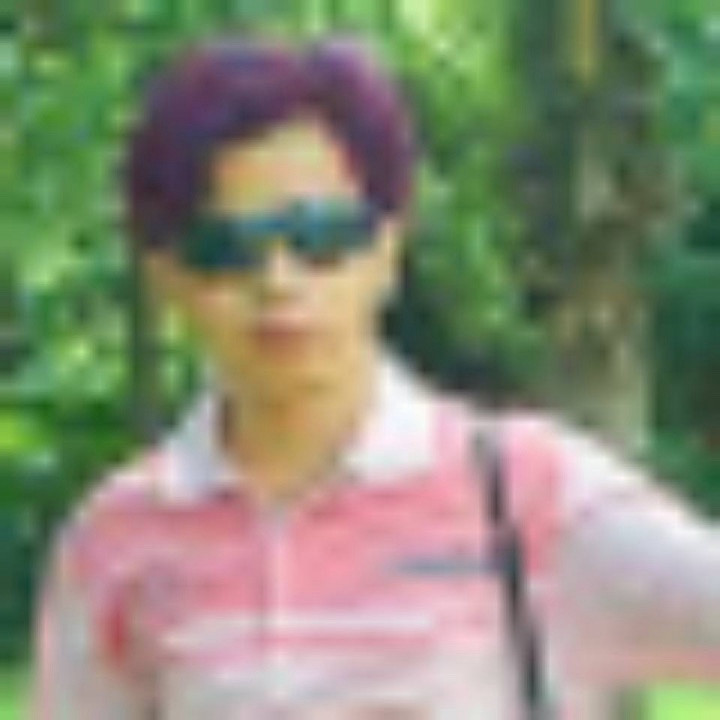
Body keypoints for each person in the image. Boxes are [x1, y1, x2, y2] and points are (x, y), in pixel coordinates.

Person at [32, 37, 720, 719]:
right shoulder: (116, 540)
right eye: (227, 249)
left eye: (321, 235)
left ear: (386, 251)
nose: (279, 282)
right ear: (168, 278)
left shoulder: (527, 495)